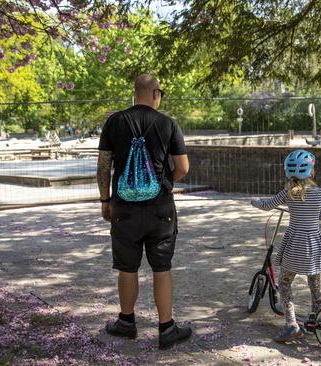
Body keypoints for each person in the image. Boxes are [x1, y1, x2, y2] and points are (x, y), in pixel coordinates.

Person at [96, 74, 192, 350]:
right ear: (155, 94)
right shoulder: (168, 124)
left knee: (127, 268)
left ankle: (127, 323)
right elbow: (183, 168)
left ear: (135, 93)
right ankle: (166, 328)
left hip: (124, 209)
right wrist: (165, 183)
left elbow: (103, 167)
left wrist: (106, 200)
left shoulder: (114, 122)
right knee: (162, 267)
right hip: (160, 209)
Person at [251, 149, 321, 343]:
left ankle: (292, 325)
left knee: (285, 283)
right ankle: (315, 321)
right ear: (311, 172)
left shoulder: (288, 193)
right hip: (313, 247)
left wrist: (255, 201)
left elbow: (267, 204)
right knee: (315, 285)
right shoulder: (319, 193)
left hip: (295, 246)